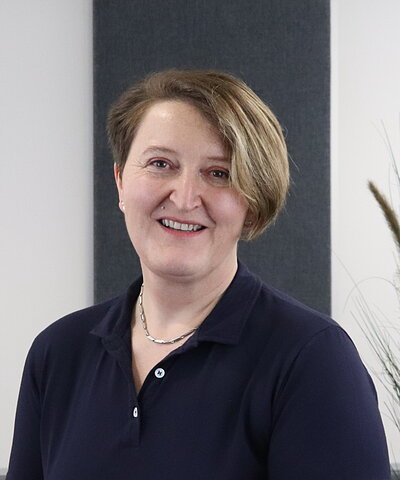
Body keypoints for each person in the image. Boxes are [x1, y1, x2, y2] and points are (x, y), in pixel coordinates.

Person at [7, 69, 390, 480]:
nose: (185, 197)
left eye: (219, 173)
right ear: (120, 182)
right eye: (160, 164)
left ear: (253, 202)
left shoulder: (312, 359)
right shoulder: (57, 353)